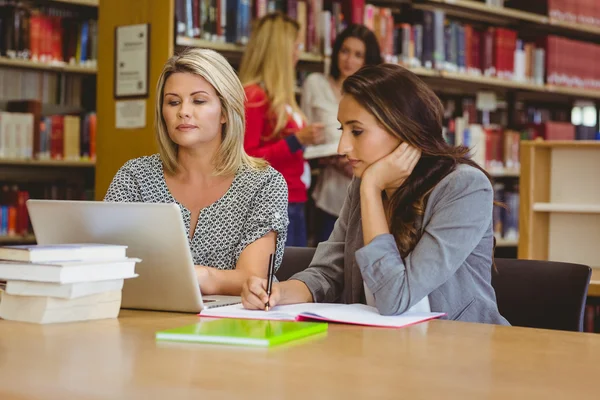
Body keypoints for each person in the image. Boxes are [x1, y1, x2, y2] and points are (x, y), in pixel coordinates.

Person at [241, 64, 510, 325]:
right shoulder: (362, 185)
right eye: (341, 130)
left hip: (456, 354)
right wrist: (278, 293)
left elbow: (394, 297)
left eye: (356, 131)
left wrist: (371, 188)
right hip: (379, 348)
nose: (342, 146)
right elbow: (328, 272)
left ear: (401, 129)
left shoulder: (464, 188)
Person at [104, 48, 289, 296]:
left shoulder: (264, 183)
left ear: (225, 111)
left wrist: (202, 276)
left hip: (232, 327)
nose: (184, 111)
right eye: (173, 102)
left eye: (199, 101)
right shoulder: (135, 176)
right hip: (145, 318)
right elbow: (105, 262)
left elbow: (253, 278)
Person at [239, 12, 325, 247]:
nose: (298, 53)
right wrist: (296, 141)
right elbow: (247, 158)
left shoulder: (280, 97)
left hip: (294, 198)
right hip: (274, 203)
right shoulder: (254, 96)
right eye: (295, 46)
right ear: (279, 50)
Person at [301, 24, 383, 242]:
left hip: (369, 193)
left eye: (358, 55)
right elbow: (307, 140)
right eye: (344, 51)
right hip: (329, 196)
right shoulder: (315, 84)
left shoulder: (376, 96)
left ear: (368, 61)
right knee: (326, 264)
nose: (348, 60)